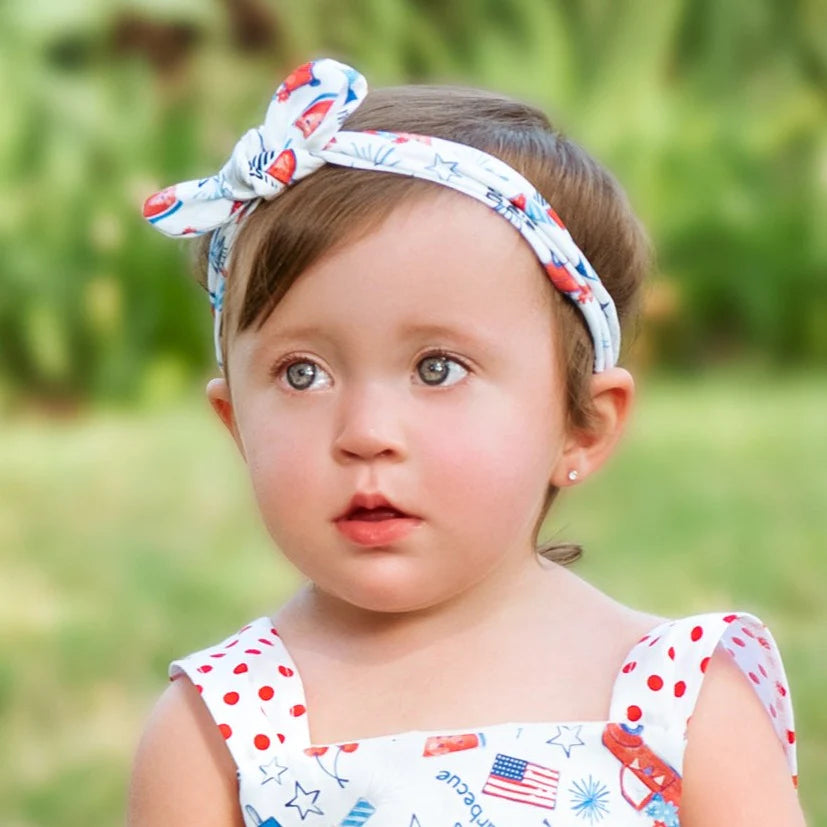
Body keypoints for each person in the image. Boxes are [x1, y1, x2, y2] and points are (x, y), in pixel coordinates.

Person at [129, 59, 804, 826]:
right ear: (236, 425)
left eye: (436, 367)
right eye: (302, 373)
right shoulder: (219, 731)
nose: (364, 434)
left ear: (582, 422)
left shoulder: (681, 706)